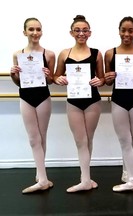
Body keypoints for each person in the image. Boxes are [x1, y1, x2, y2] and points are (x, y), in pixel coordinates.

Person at [53, 15, 105, 193]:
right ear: (71, 32)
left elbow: (102, 77)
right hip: (74, 101)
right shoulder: (64, 54)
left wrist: (101, 81)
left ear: (89, 33)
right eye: (77, 30)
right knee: (80, 141)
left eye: (84, 30)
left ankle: (86, 178)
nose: (81, 33)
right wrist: (57, 78)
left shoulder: (97, 53)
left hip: (92, 101)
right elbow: (55, 76)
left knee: (88, 139)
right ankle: (85, 179)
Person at [104, 16, 133, 192]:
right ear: (119, 30)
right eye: (123, 29)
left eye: (130, 30)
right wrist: (108, 78)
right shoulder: (110, 53)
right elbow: (107, 82)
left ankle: (126, 172)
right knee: (124, 140)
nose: (127, 33)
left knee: (132, 139)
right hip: (118, 100)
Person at [10, 17, 55, 194]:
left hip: (43, 96)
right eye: (31, 29)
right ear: (25, 32)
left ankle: (41, 176)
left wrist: (48, 74)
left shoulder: (49, 54)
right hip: (26, 97)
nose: (35, 32)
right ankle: (42, 178)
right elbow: (17, 82)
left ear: (41, 32)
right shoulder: (17, 54)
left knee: (42, 136)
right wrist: (14, 74)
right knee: (32, 138)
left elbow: (51, 80)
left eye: (38, 29)